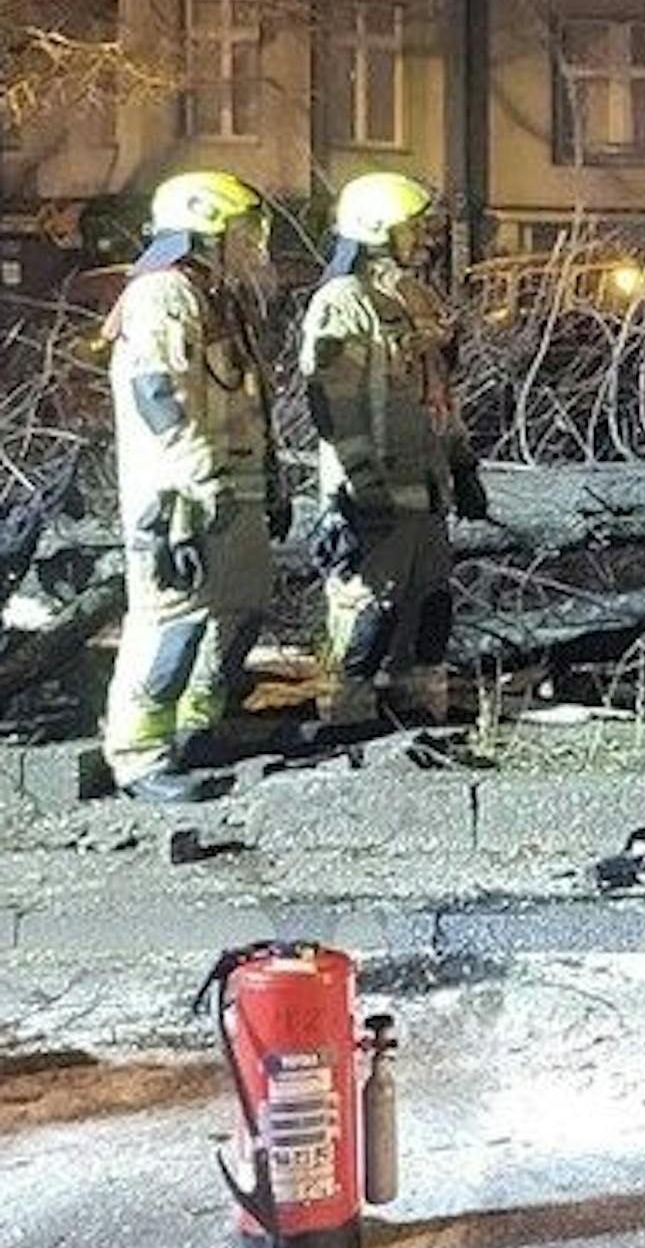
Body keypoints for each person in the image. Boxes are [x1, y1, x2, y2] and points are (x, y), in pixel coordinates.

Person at [103, 170, 287, 802]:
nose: (251, 243)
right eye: (242, 231)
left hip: (230, 488)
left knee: (240, 606)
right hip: (178, 496)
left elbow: (245, 399)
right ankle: (139, 756)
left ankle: (196, 728)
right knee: (170, 621)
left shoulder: (215, 295)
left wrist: (273, 478)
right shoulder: (161, 295)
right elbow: (158, 395)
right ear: (207, 228)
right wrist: (195, 476)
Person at [301, 171, 487, 726]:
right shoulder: (342, 303)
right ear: (379, 230)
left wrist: (462, 464)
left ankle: (417, 715)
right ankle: (345, 724)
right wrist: (359, 486)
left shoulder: (415, 298)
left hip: (425, 488)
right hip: (372, 491)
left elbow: (437, 394)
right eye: (413, 228)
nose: (424, 238)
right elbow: (334, 405)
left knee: (429, 609)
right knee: (366, 613)